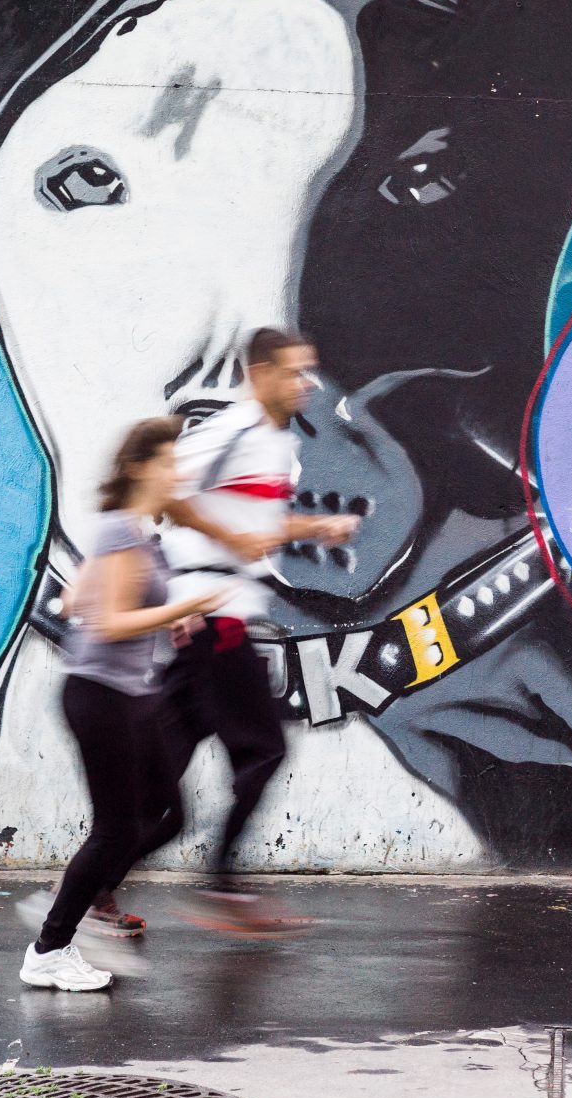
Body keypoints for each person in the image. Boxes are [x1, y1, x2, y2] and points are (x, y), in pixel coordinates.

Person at [144, 327, 359, 930]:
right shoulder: (230, 429)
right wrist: (224, 543)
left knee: (165, 772)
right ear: (259, 373)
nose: (306, 384)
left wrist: (315, 528)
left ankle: (89, 893)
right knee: (264, 748)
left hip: (219, 616)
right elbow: (164, 493)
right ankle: (220, 884)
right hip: (214, 614)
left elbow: (255, 523)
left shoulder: (277, 445)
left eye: (308, 371)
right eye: (293, 372)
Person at [20, 418, 225, 991]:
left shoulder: (134, 535)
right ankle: (49, 949)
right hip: (100, 694)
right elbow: (109, 623)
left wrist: (168, 619)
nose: (177, 474)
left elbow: (73, 601)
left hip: (132, 694)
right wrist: (180, 608)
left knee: (169, 813)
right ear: (138, 467)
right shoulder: (118, 531)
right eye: (168, 463)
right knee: (114, 829)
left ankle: (83, 895)